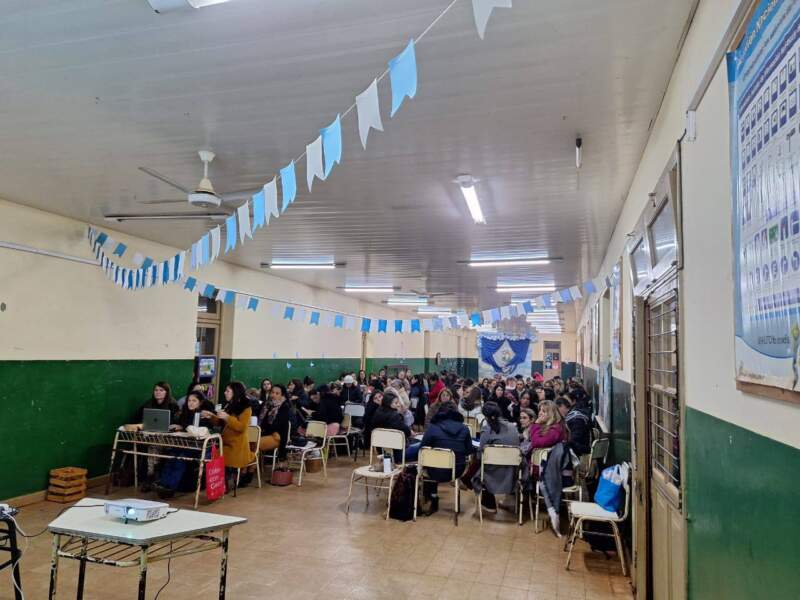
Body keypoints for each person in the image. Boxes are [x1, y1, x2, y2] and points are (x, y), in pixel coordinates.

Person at [154, 390, 215, 498]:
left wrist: (186, 425)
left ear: (200, 403)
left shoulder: (205, 416)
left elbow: (200, 430)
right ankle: (163, 484)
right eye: (189, 400)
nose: (190, 403)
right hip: (186, 445)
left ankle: (170, 487)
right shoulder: (185, 413)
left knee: (180, 458)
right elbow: (184, 424)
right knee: (172, 456)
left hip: (199, 448)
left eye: (194, 401)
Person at [417, 400, 474, 515]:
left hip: (434, 471)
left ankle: (433, 498)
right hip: (457, 470)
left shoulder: (432, 428)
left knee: (430, 461)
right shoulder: (464, 429)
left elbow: (422, 449)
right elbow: (469, 451)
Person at [468, 401, 521, 511]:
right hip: (512, 472)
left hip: (493, 473)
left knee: (479, 463)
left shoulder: (487, 429)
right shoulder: (512, 427)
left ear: (485, 416)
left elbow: (479, 455)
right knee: (483, 461)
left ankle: (488, 502)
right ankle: (467, 482)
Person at [202, 381, 255, 489]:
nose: (225, 393)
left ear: (235, 393)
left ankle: (221, 483)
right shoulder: (229, 405)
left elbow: (241, 427)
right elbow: (220, 423)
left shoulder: (246, 408)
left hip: (237, 446)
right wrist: (211, 416)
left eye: (228, 391)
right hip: (225, 443)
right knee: (211, 454)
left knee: (215, 456)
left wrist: (227, 417)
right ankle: (217, 483)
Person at [258, 384, 292, 461]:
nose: (273, 395)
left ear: (282, 395)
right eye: (272, 392)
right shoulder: (266, 404)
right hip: (264, 433)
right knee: (248, 442)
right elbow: (260, 421)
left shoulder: (284, 407)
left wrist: (263, 430)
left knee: (254, 444)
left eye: (277, 393)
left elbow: (276, 426)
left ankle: (250, 469)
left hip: (277, 436)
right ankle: (251, 468)